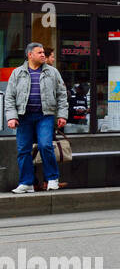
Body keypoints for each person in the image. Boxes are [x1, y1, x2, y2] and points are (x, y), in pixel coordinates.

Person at [4, 42, 69, 193]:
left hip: (44, 116)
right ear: (30, 55)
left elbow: (61, 95)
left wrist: (62, 115)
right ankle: (27, 183)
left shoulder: (52, 72)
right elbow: (9, 97)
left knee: (45, 145)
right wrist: (11, 117)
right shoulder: (17, 73)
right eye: (39, 52)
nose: (43, 55)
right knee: (23, 150)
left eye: (43, 52)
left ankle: (52, 179)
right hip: (23, 117)